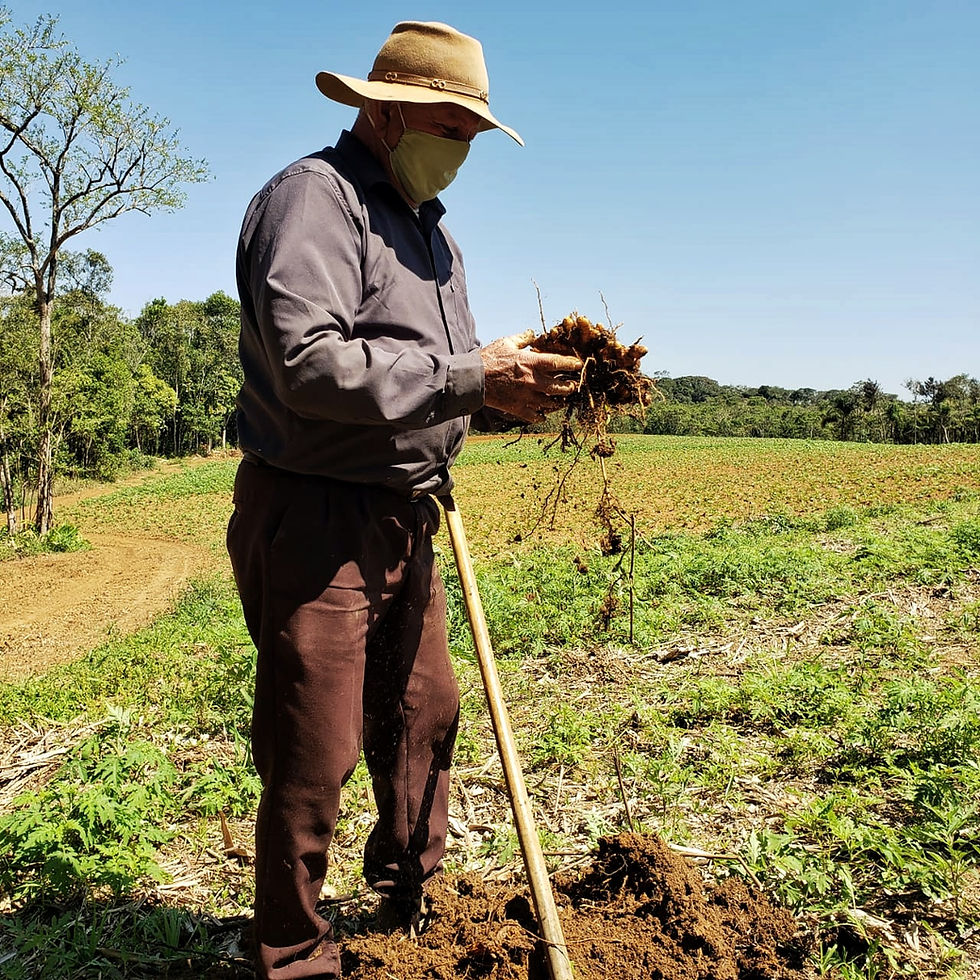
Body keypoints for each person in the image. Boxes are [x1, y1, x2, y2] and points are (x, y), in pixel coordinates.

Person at [227, 21, 583, 980]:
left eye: (469, 137)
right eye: (450, 130)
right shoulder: (316, 203)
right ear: (386, 111)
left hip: (407, 516)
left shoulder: (435, 239)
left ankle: (407, 894)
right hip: (314, 514)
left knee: (424, 711)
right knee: (316, 745)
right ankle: (293, 953)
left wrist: (516, 392)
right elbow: (311, 365)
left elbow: (438, 386)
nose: (460, 154)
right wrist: (473, 377)